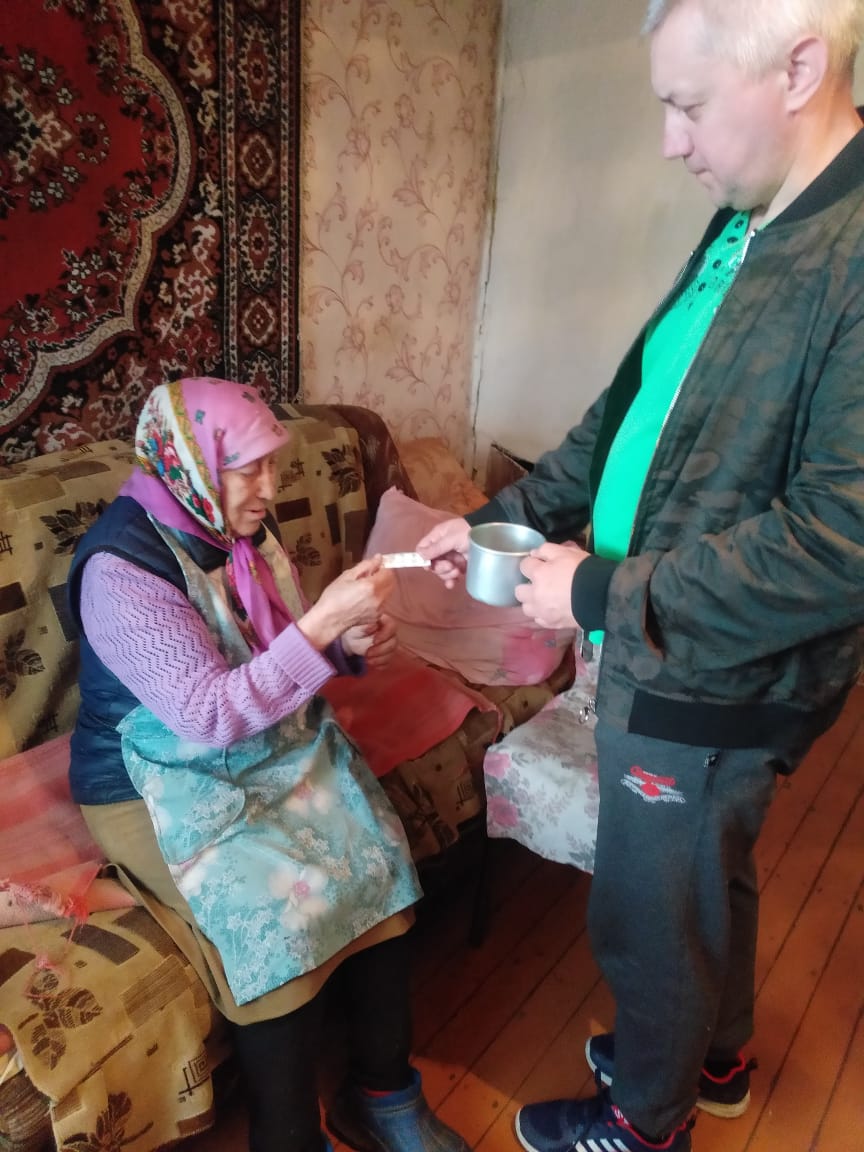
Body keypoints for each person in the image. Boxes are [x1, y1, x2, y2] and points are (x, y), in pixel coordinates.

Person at [417, 2, 864, 1150]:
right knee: (708, 873)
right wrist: (493, 522)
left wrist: (600, 595)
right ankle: (711, 1054)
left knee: (648, 911)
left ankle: (646, 1123)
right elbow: (626, 424)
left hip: (711, 669)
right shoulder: (749, 218)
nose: (670, 141)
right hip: (654, 640)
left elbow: (842, 541)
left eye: (689, 105)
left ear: (800, 68)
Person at [67, 376, 471, 1152]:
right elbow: (207, 715)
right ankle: (288, 1138)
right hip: (151, 777)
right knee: (272, 925)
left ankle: (382, 1094)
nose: (269, 488)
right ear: (187, 465)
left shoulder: (232, 531)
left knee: (376, 856)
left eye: (271, 465)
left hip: (258, 741)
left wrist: (347, 645)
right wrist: (322, 628)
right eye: (246, 469)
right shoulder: (121, 571)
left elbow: (273, 647)